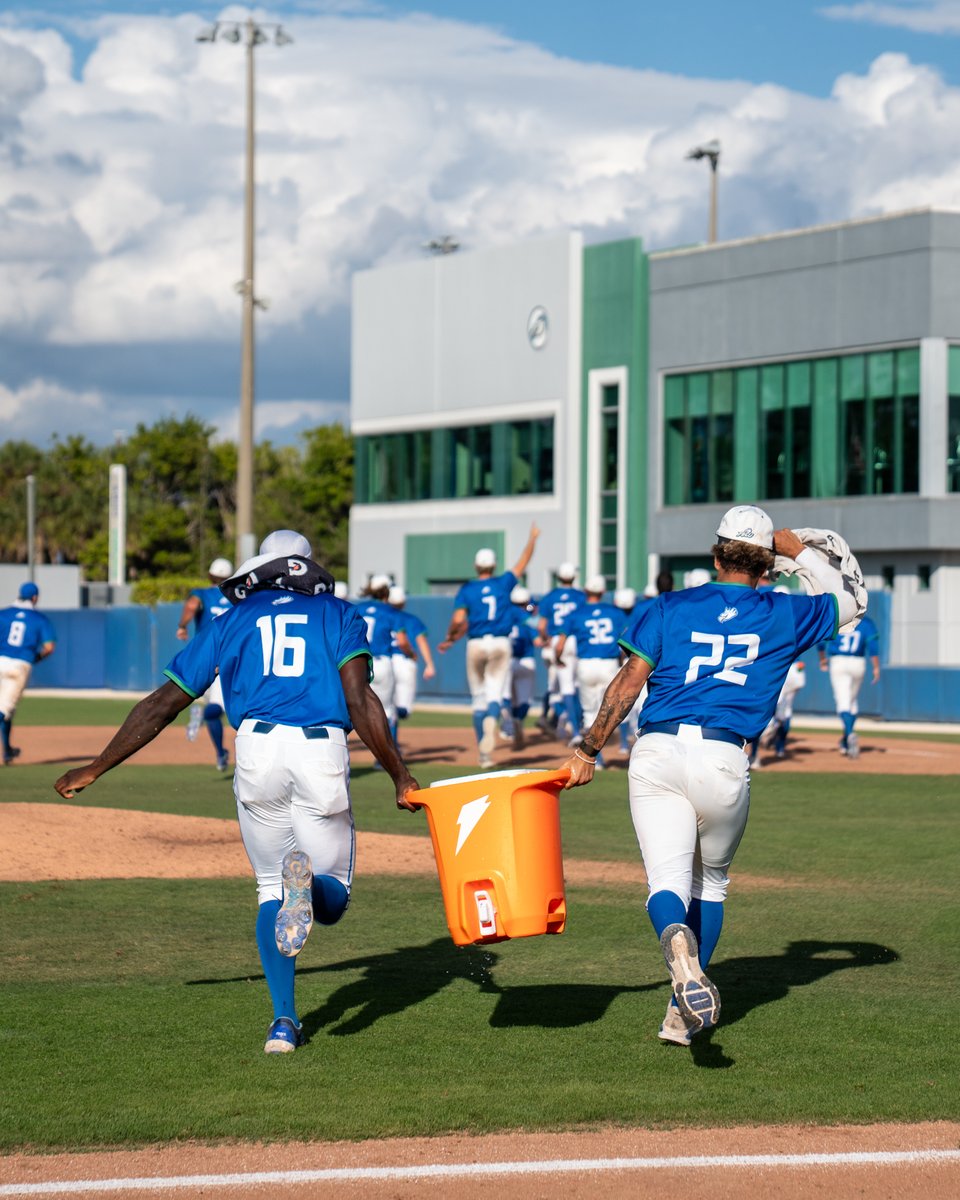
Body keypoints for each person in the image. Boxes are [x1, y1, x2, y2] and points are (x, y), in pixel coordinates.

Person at [55, 529, 420, 1055]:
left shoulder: (232, 620)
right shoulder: (339, 614)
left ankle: (284, 1024)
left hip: (255, 752)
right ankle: (311, 892)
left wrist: (97, 765)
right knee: (332, 897)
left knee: (271, 887)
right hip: (318, 748)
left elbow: (164, 702)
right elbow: (361, 701)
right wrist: (399, 775)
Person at [559, 505, 862, 1047]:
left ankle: (678, 954)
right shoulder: (783, 614)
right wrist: (799, 551)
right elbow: (853, 597)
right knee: (712, 883)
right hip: (725, 758)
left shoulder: (670, 605)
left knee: (667, 883)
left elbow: (627, 684)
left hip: (658, 751)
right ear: (764, 564)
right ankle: (680, 1012)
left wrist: (587, 749)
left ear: (717, 553)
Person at [438, 524, 539, 769]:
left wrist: (451, 636)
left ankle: (483, 753)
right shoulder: (503, 583)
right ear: (493, 566)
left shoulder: (468, 588)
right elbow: (522, 563)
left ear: (476, 566)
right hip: (500, 643)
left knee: (478, 699)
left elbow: (459, 619)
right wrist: (532, 539)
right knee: (495, 693)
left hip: (476, 643)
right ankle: (492, 720)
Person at [554, 575, 623, 769]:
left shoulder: (577, 613)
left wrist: (558, 657)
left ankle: (596, 759)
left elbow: (560, 644)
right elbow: (626, 639)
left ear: (586, 591)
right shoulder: (614, 612)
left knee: (590, 713)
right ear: (602, 592)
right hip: (609, 663)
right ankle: (622, 746)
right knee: (609, 709)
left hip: (586, 665)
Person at [176, 556, 234, 771]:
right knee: (217, 710)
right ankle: (219, 751)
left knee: (214, 707)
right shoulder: (239, 596)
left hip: (204, 657)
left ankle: (220, 752)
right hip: (228, 659)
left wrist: (182, 625)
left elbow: (192, 605)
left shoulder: (201, 594)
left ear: (210, 576)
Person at [0, 582, 56, 765]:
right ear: (35, 598)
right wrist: (35, 659)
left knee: (7, 711)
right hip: (19, 666)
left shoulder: (4, 614)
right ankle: (7, 751)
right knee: (4, 709)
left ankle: (7, 751)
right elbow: (49, 647)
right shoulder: (39, 619)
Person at [357, 575, 413, 747]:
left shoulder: (356, 608)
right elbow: (402, 641)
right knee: (387, 711)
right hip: (381, 663)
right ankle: (388, 755)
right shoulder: (390, 611)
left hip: (357, 663)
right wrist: (411, 654)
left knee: (352, 710)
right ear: (386, 592)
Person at [818, 615, 881, 759]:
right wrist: (876, 667)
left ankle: (849, 735)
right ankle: (846, 739)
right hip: (858, 663)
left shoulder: (838, 618)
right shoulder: (866, 622)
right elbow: (873, 646)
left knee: (843, 703)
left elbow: (821, 641)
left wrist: (822, 659)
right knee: (852, 702)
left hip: (839, 661)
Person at [537, 562, 585, 744]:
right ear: (574, 577)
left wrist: (546, 638)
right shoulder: (581, 596)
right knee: (579, 685)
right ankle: (581, 723)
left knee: (564, 688)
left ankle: (573, 729)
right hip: (577, 641)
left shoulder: (550, 596)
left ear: (558, 577)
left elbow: (541, 625)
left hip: (558, 641)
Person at [388, 585, 436, 726]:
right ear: (403, 601)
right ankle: (393, 744)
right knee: (402, 709)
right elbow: (421, 642)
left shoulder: (382, 615)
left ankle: (391, 743)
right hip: (405, 662)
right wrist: (429, 664)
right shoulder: (411, 619)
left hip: (385, 662)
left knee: (387, 707)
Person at [502, 585, 539, 750]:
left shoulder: (504, 615)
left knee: (505, 696)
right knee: (524, 701)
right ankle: (517, 721)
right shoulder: (528, 618)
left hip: (507, 661)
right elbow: (537, 639)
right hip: (526, 661)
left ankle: (508, 723)